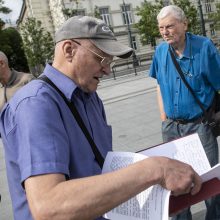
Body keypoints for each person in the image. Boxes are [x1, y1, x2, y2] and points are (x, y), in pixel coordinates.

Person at [0, 15, 202, 220]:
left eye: (110, 61)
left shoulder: (89, 96)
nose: (107, 69)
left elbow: (99, 170)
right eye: (101, 58)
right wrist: (154, 170)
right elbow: (49, 206)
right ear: (69, 50)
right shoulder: (35, 104)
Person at [149, 5, 220, 220]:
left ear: (184, 24)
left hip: (200, 126)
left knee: (210, 182)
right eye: (161, 28)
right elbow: (159, 86)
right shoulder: (161, 52)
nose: (165, 32)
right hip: (171, 127)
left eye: (169, 26)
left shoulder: (204, 47)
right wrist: (164, 118)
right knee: (173, 184)